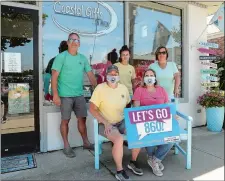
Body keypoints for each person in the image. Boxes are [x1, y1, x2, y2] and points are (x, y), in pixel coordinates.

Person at [89, 65, 143, 181]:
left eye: (115, 74)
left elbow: (128, 104)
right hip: (105, 123)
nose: (113, 76)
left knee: (138, 133)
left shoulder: (123, 88)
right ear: (106, 75)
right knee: (118, 139)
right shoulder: (100, 88)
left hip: (121, 121)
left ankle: (133, 162)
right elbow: (92, 109)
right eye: (111, 74)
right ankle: (119, 170)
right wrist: (105, 122)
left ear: (118, 76)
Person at [51, 32, 97, 158]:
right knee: (65, 120)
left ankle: (86, 142)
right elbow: (54, 77)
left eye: (77, 40)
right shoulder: (61, 57)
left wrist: (98, 89)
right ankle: (66, 146)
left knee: (82, 118)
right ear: (67, 42)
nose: (74, 42)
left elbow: (90, 75)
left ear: (79, 44)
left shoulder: (82, 58)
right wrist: (55, 95)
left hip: (79, 95)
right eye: (72, 39)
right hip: (65, 95)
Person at [132, 68, 173, 177]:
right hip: (146, 123)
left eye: (151, 75)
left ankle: (155, 159)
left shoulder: (161, 89)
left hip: (162, 122)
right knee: (149, 136)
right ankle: (152, 158)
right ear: (144, 78)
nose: (149, 77)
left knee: (171, 139)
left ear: (155, 78)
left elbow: (167, 106)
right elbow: (136, 109)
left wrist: (173, 116)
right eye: (147, 75)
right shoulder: (139, 90)